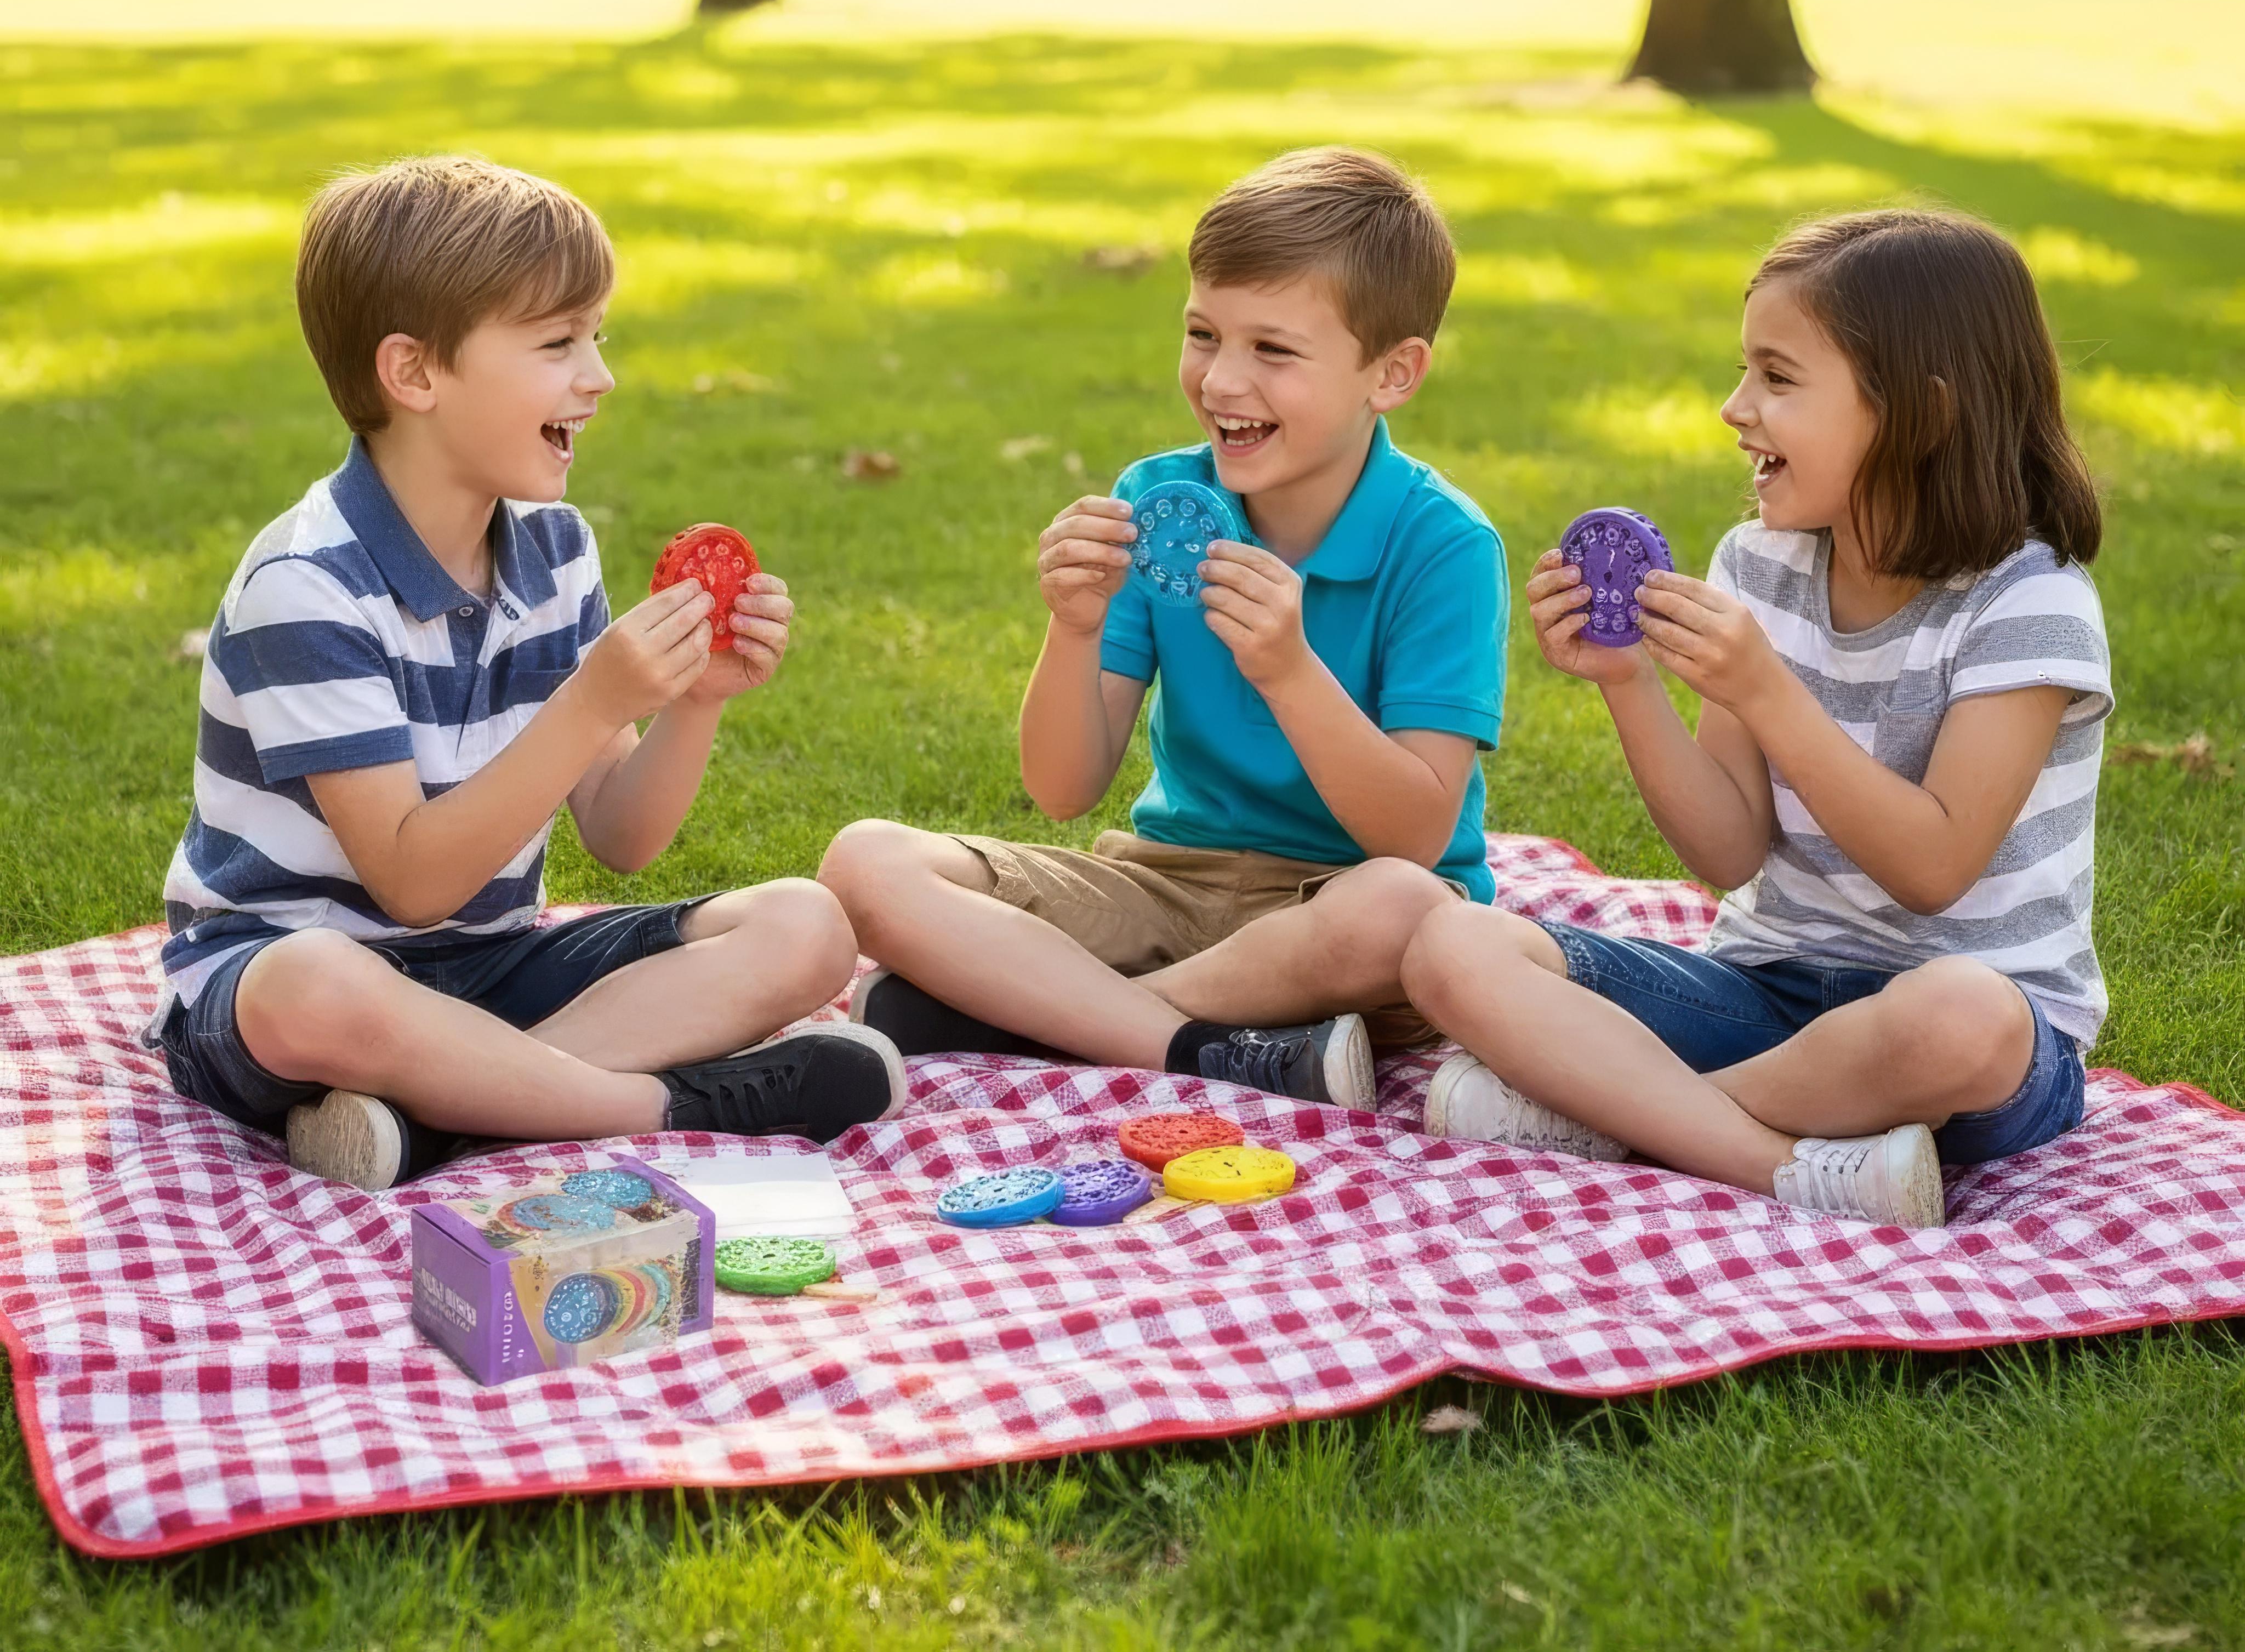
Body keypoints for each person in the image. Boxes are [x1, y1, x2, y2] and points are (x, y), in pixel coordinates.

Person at [150, 156, 905, 1191]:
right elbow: (412, 886)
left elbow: (622, 837)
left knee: (807, 928)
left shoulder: (555, 549)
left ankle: (453, 1117)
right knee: (316, 988)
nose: (599, 375)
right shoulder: (307, 586)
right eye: (558, 344)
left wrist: (694, 705)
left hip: (492, 969)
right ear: (414, 375)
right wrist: (594, 696)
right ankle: (656, 1104)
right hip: (288, 984)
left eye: (598, 337)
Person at [1402, 209, 2111, 1229]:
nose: (1735, 408)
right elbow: (1727, 851)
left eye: (1778, 380)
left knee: (1961, 1019)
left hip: (1964, 1044)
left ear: (1921, 414)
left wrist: (1767, 693)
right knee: (1448, 948)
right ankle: (1769, 1157)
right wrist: (1630, 683)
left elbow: (1935, 866)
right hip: (1766, 995)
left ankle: (1617, 1115)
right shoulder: (1759, 567)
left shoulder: (2028, 603)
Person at [819, 147, 1506, 1108]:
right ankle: (1188, 1044)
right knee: (866, 862)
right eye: (1202, 334)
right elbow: (1061, 790)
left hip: (1339, 914)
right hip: (1168, 884)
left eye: (1273, 350)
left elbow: (1415, 837)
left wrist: (1288, 669)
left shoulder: (1445, 545)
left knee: (1407, 915)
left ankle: (1050, 1020)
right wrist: (1073, 626)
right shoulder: (1159, 498)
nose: (1223, 380)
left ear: (1391, 374)